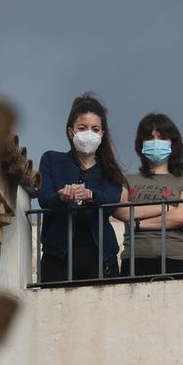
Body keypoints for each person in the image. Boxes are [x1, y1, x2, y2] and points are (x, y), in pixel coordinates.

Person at [36, 94, 125, 281]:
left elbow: (111, 202)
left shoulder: (110, 170)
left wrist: (91, 194)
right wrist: (61, 196)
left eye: (95, 129)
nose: (89, 134)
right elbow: (44, 198)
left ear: (102, 134)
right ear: (71, 132)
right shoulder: (51, 159)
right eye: (82, 128)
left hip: (101, 259)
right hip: (57, 258)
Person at [115, 112, 183, 276]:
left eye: (162, 138)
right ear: (141, 144)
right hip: (135, 258)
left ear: (173, 143)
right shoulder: (127, 180)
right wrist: (165, 208)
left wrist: (138, 224)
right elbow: (121, 211)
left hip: (178, 257)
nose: (155, 142)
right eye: (149, 138)